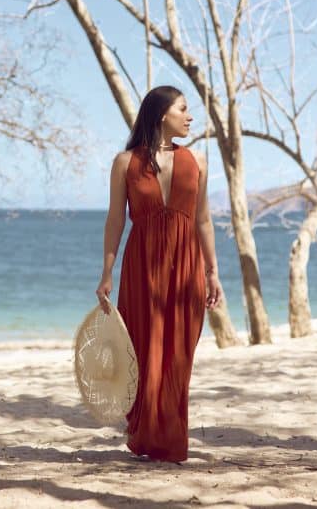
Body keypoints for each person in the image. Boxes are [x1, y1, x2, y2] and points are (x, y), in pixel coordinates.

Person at [96, 85, 223, 463]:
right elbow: (116, 220)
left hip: (187, 265)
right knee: (143, 349)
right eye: (183, 109)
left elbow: (203, 220)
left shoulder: (198, 161)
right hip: (142, 266)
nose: (190, 117)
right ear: (161, 114)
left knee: (179, 353)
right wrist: (106, 273)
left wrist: (213, 272)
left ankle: (168, 439)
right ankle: (145, 436)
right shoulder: (125, 163)